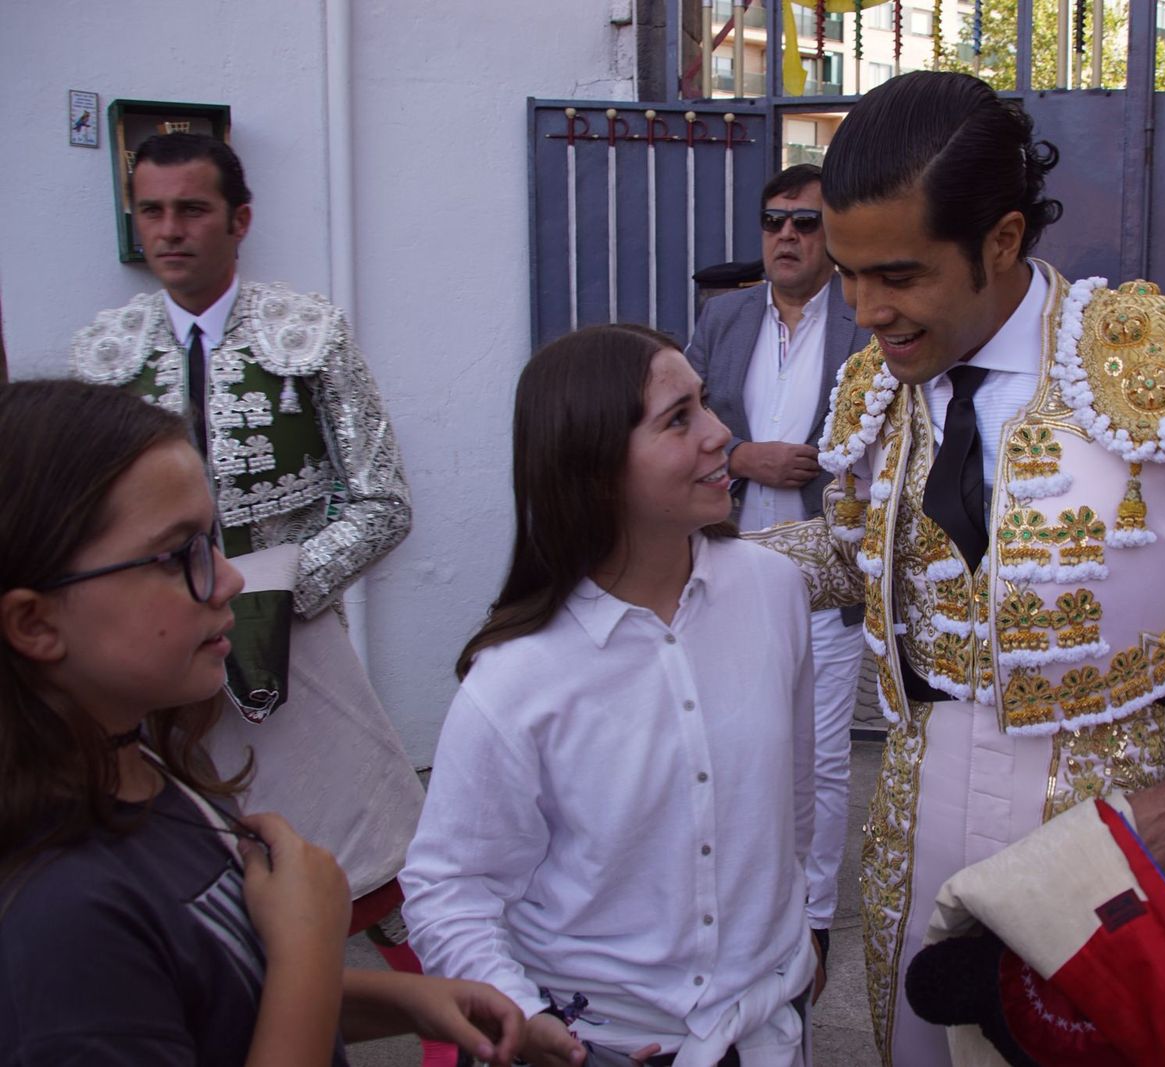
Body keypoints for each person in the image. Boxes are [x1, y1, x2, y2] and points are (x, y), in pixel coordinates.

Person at [746, 71, 1165, 1064]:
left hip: (1097, 823)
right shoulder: (878, 379)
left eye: (901, 274)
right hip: (911, 810)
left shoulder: (1156, 371)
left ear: (1000, 241)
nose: (867, 309)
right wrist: (689, 567)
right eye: (848, 272)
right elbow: (851, 548)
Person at [0, 378, 524, 1065]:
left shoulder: (142, 769)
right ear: (36, 623)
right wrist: (309, 948)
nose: (230, 580)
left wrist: (407, 1001)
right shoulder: (64, 923)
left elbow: (211, 998)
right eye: (178, 554)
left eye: (212, 541)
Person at [67, 132, 438, 1058]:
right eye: (150, 211)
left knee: (384, 875)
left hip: (293, 652)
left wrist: (274, 593)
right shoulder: (106, 351)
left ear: (239, 221)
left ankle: (464, 1027)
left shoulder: (304, 329)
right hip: (156, 673)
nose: (168, 230)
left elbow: (382, 502)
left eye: (190, 210)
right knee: (187, 882)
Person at [401, 325, 818, 1067]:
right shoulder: (515, 679)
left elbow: (793, 804)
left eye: (706, 403)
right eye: (678, 418)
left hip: (767, 1029)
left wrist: (800, 927)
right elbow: (450, 888)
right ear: (593, 468)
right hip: (597, 1045)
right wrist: (521, 1015)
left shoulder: (775, 590)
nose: (722, 433)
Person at [685, 163, 874, 974]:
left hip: (826, 582)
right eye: (773, 222)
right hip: (724, 566)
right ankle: (729, 895)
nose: (787, 236)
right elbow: (680, 423)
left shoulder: (867, 318)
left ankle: (813, 916)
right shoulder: (723, 319)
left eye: (805, 222)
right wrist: (740, 454)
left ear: (833, 234)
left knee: (821, 757)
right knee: (723, 740)